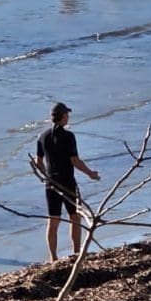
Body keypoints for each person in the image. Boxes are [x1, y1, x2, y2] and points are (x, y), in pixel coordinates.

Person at [36, 102, 100, 262]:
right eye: (67, 115)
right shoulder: (68, 136)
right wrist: (90, 173)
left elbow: (39, 162)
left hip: (51, 184)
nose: (68, 118)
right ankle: (77, 252)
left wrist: (45, 177)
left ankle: (53, 258)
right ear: (64, 116)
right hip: (68, 183)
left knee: (53, 220)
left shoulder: (42, 136)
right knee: (75, 217)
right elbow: (75, 161)